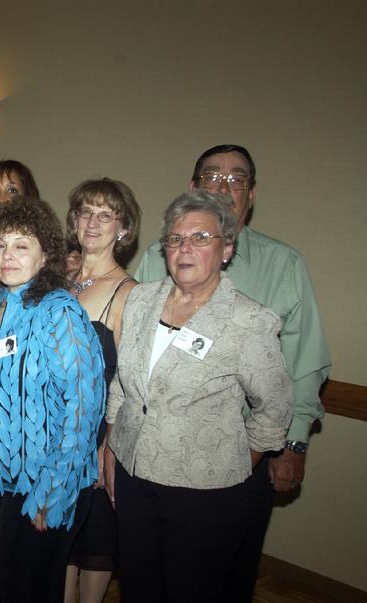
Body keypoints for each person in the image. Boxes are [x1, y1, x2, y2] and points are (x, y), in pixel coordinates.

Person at [133, 144, 331, 600]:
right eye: (210, 177)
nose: (222, 188)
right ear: (193, 187)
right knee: (148, 577)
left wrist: (292, 444)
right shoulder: (156, 257)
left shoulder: (284, 265)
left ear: (252, 194)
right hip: (152, 455)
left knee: (224, 580)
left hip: (242, 460)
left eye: (235, 179)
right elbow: (133, 350)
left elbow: (302, 362)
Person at [105, 190, 293, 602]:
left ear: (226, 249)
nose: (184, 248)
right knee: (137, 586)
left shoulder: (248, 320)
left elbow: (275, 406)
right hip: (135, 477)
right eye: (175, 239)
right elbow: (122, 383)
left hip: (204, 492)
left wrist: (243, 460)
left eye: (200, 238)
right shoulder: (140, 299)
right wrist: (112, 448)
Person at [0, 197, 106, 601]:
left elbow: (82, 410)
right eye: (0, 244)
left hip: (37, 486)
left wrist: (52, 492)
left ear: (46, 255)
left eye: (21, 245)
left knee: (26, 592)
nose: (7, 255)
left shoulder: (59, 312)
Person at [62, 178, 141, 603]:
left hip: (93, 445)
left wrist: (105, 450)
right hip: (51, 439)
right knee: (57, 563)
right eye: (86, 212)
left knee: (91, 556)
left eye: (105, 215)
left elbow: (130, 385)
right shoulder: (60, 281)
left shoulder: (128, 293)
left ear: (123, 228)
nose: (93, 222)